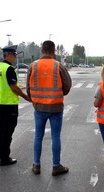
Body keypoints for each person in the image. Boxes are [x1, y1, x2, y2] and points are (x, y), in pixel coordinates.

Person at [26, 40, 72, 176]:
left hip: (39, 107)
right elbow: (67, 85)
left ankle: (36, 165)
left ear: (41, 50)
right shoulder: (59, 66)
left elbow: (28, 88)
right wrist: (59, 93)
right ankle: (56, 166)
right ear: (54, 51)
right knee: (56, 136)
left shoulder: (32, 66)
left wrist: (34, 99)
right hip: (56, 107)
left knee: (38, 136)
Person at [0, 45, 31, 166]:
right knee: (7, 131)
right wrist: (26, 97)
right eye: (14, 54)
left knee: (1, 130)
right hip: (9, 105)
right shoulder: (9, 69)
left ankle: (2, 155)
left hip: (0, 103)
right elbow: (14, 87)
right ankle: (5, 158)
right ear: (8, 55)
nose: (14, 57)